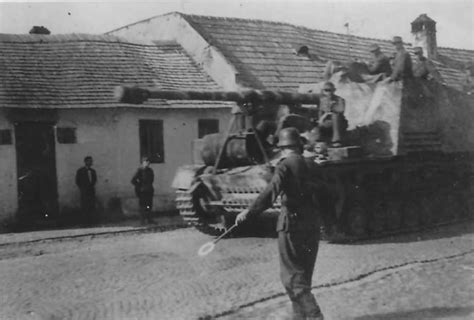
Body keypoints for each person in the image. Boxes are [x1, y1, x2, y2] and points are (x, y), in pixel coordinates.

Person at [236, 127, 324, 320]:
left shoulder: (285, 165)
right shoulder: (314, 165)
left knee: (292, 277)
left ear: (282, 148)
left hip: (290, 226)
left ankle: (315, 316)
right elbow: (328, 196)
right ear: (298, 146)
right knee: (303, 277)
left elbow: (270, 193)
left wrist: (249, 212)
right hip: (312, 226)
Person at [317, 81, 348, 147]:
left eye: (330, 90)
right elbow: (320, 113)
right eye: (326, 90)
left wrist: (331, 108)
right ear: (323, 91)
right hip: (326, 121)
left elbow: (341, 110)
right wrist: (324, 115)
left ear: (334, 90)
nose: (328, 92)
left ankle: (336, 140)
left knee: (335, 116)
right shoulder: (322, 101)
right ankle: (319, 140)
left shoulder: (339, 99)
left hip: (339, 122)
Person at [131, 156, 155, 224]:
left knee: (149, 206)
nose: (147, 163)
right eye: (146, 162)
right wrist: (139, 186)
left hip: (149, 191)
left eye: (148, 162)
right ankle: (142, 220)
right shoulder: (140, 170)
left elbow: (152, 180)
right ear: (142, 163)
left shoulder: (150, 171)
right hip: (142, 192)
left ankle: (149, 219)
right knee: (142, 206)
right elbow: (133, 180)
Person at [75, 156, 97, 225]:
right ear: (85, 162)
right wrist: (83, 188)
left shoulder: (93, 171)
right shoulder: (80, 171)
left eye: (91, 161)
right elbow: (77, 181)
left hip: (91, 191)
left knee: (91, 206)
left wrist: (91, 187)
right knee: (84, 207)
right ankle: (84, 222)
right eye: (89, 161)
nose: (91, 162)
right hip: (84, 192)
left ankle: (91, 222)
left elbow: (94, 180)